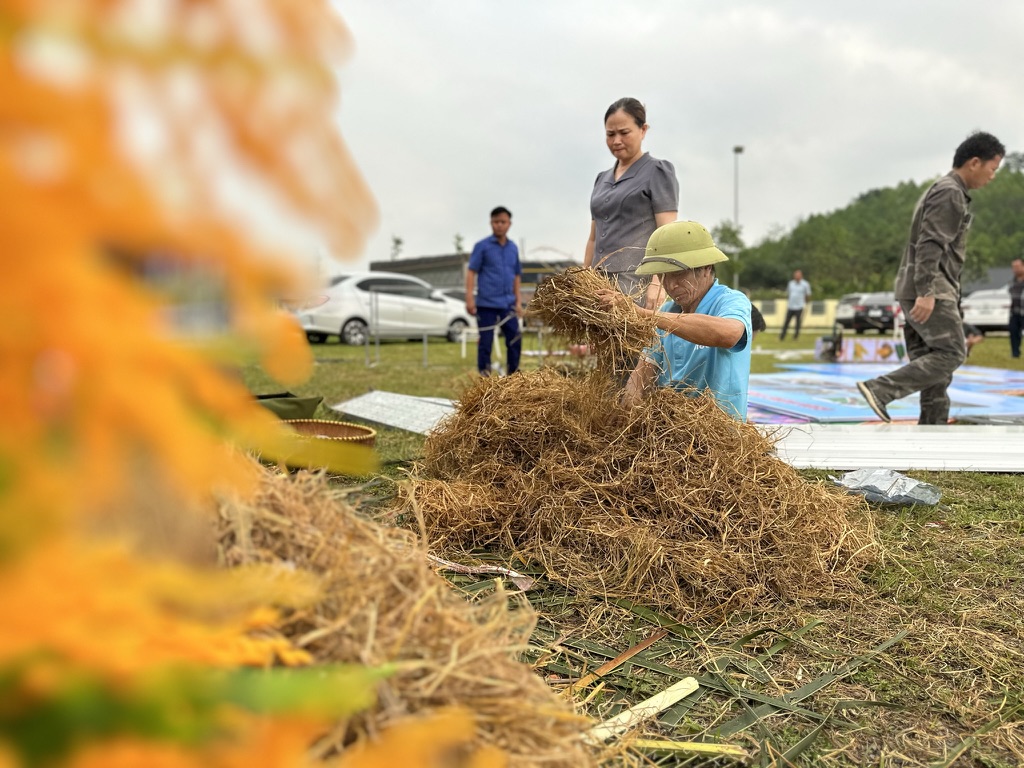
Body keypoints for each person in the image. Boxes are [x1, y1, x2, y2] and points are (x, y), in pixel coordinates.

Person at [857, 131, 1005, 424]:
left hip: (920, 287)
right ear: (974, 163)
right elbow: (931, 243)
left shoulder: (942, 189)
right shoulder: (949, 191)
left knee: (935, 361)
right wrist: (926, 291)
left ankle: (933, 425)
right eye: (993, 169)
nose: (993, 176)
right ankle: (881, 389)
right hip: (930, 288)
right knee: (951, 353)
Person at [596, 221, 753, 420]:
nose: (670, 285)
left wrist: (643, 313)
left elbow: (729, 334)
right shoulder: (666, 313)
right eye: (662, 276)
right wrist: (629, 408)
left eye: (678, 274)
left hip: (720, 437)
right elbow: (642, 373)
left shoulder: (729, 301)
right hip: (673, 436)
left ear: (705, 268)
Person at [584, 97, 679, 309]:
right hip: (598, 284)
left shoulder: (657, 171)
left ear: (643, 130)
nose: (616, 140)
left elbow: (668, 232)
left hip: (635, 283)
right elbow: (593, 238)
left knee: (633, 341)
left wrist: (659, 282)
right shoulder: (602, 179)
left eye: (624, 133)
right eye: (610, 134)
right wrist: (584, 279)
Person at [466, 206, 523, 376]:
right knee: (486, 342)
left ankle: (513, 376)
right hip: (487, 304)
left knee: (515, 338)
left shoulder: (513, 248)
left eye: (503, 222)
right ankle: (485, 377)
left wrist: (518, 301)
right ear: (491, 223)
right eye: (496, 222)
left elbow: (517, 275)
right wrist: (469, 297)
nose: (499, 225)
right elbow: (471, 271)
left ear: (509, 224)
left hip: (508, 304)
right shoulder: (482, 246)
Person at [779, 269, 811, 340]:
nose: (796, 277)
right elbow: (788, 293)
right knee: (786, 321)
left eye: (798, 275)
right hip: (791, 306)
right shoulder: (791, 283)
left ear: (801, 276)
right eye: (795, 275)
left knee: (798, 322)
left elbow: (807, 294)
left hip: (799, 306)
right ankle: (782, 336)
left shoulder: (805, 284)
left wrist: (806, 303)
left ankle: (796, 336)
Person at [1009, 257, 1024, 358]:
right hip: (1015, 311)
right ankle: (1015, 354)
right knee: (1014, 332)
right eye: (1014, 267)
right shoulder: (1012, 282)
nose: (1015, 269)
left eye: (1018, 266)